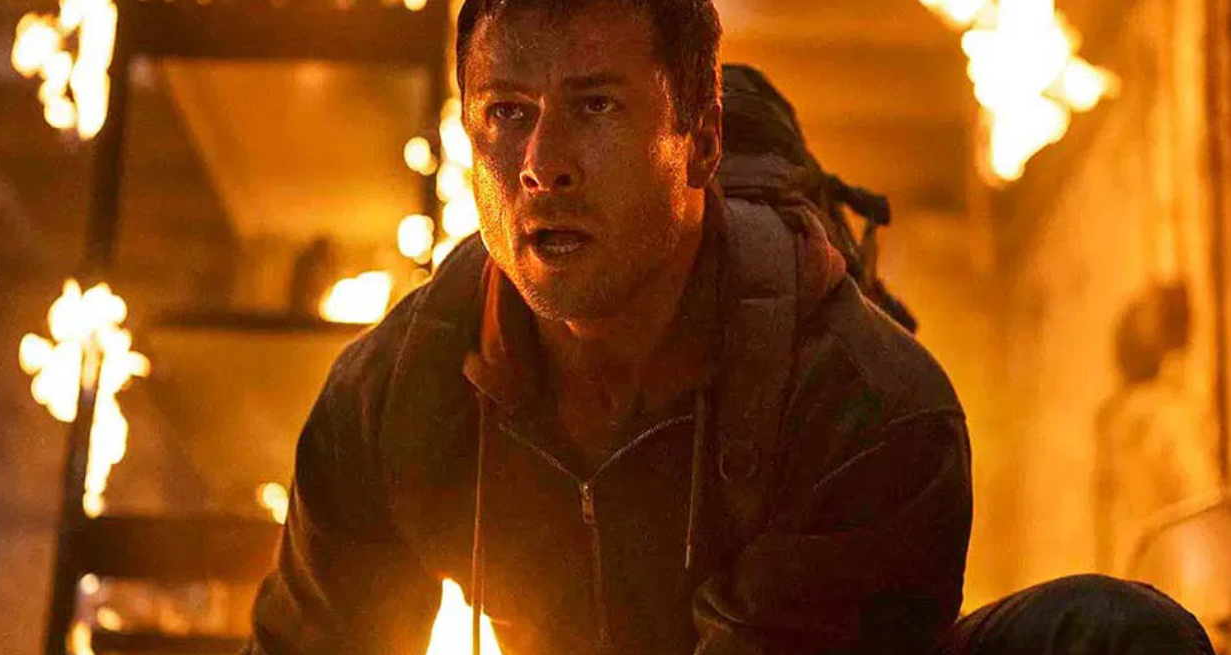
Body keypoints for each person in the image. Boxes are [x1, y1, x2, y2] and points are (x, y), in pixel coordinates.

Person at [246, 1, 1214, 653]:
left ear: (701, 139)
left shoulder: (867, 404)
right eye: (505, 112)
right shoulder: (391, 396)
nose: (541, 162)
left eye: (595, 104)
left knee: (1111, 635)